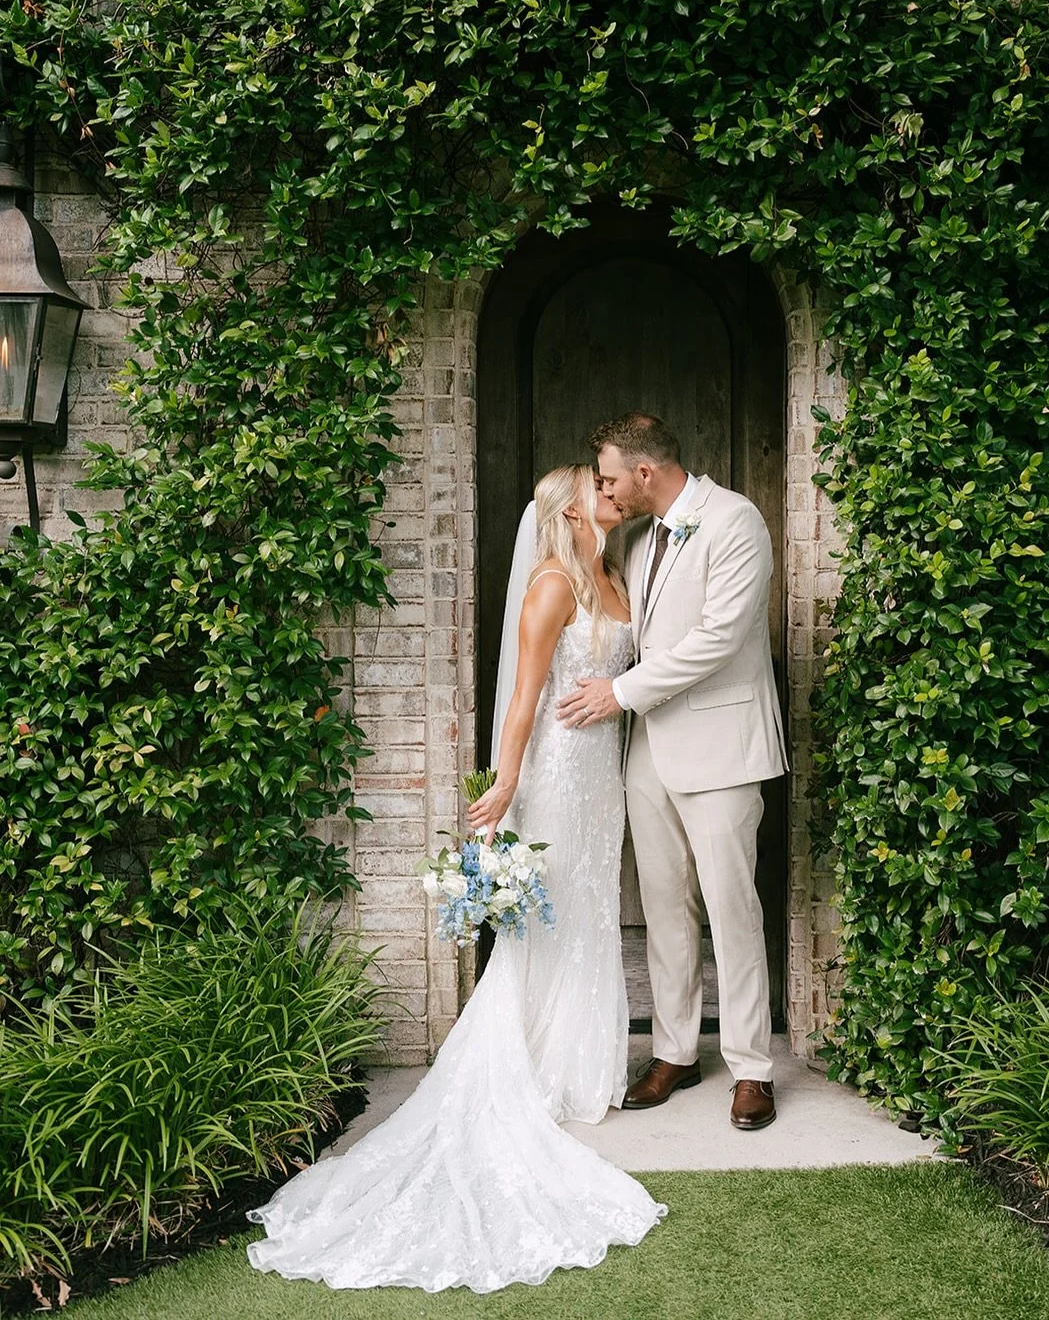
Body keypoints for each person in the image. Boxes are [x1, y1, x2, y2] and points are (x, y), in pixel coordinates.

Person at [246, 465, 665, 1293]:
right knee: (549, 916)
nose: (612, 493)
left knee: (588, 908)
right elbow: (523, 700)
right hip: (555, 773)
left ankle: (584, 1066)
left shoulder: (617, 575)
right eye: (597, 487)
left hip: (603, 778)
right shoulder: (551, 585)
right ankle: (535, 1065)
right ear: (569, 510)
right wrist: (504, 786)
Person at [558, 412, 787, 1132]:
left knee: (731, 907)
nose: (605, 491)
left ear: (644, 472)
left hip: (721, 746)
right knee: (663, 906)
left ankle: (750, 1067)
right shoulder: (639, 538)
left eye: (609, 479)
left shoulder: (735, 521)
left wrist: (619, 692)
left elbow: (719, 637)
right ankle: (676, 1051)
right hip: (649, 750)